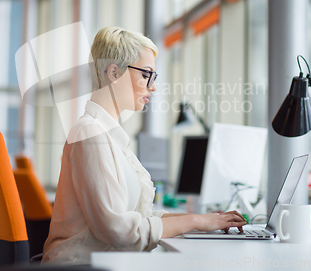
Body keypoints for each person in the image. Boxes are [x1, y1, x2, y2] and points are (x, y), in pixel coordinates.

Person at [41, 26, 246, 266]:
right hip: (80, 266)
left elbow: (139, 218)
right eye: (146, 74)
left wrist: (205, 219)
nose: (153, 86)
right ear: (114, 72)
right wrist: (196, 222)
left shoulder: (108, 135)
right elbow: (120, 231)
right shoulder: (90, 133)